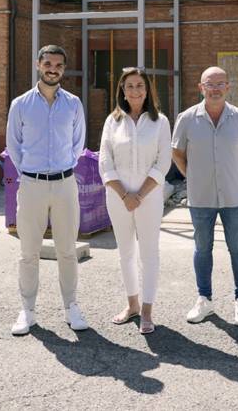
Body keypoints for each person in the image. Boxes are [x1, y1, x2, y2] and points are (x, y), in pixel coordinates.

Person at [6, 44, 88, 336]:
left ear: (64, 70)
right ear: (38, 65)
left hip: (65, 185)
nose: (53, 69)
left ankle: (71, 307)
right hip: (31, 185)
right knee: (28, 252)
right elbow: (14, 146)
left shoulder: (74, 104)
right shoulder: (21, 104)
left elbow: (78, 145)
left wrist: (62, 169)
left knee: (67, 251)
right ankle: (27, 311)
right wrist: (31, 174)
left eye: (59, 65)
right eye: (48, 64)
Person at [171, 66, 238, 327]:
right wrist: (193, 177)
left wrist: (233, 174)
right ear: (201, 88)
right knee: (202, 249)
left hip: (233, 197)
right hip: (201, 197)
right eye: (210, 84)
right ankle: (204, 300)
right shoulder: (186, 119)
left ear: (228, 87)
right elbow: (177, 154)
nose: (216, 88)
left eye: (221, 84)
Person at [99, 67, 172, 335]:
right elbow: (105, 160)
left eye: (140, 85)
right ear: (122, 90)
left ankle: (148, 311)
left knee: (149, 253)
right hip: (117, 197)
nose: (135, 90)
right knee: (126, 251)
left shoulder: (160, 122)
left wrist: (138, 195)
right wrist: (123, 194)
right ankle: (132, 305)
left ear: (148, 89)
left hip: (149, 198)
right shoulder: (112, 121)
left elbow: (163, 162)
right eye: (129, 86)